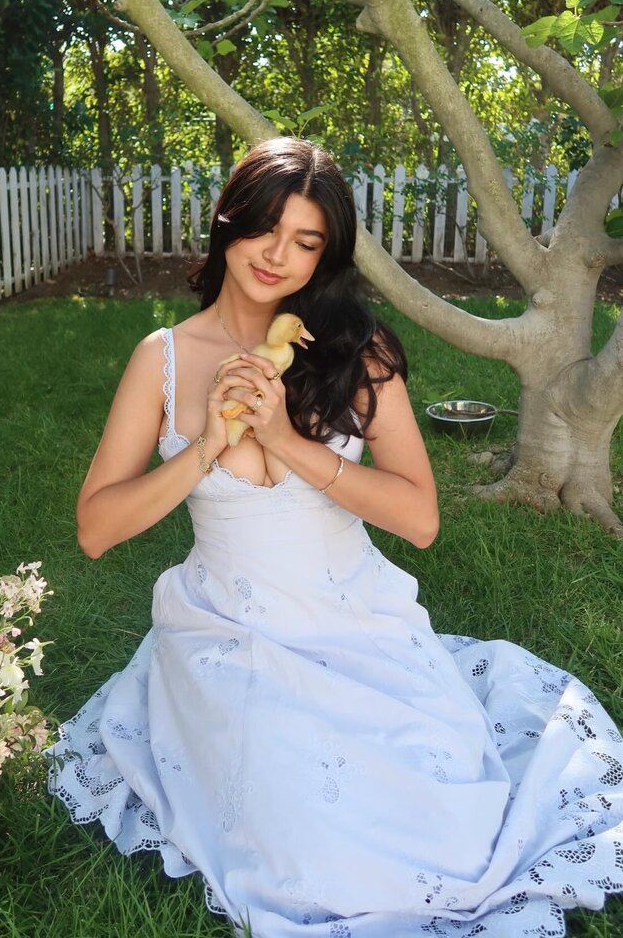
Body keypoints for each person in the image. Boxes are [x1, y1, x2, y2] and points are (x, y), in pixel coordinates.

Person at [46, 139, 623, 938]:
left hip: (356, 621)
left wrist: (286, 440)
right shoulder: (164, 360)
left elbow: (419, 519)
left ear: (328, 254)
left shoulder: (356, 352)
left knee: (444, 822)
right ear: (229, 223)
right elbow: (96, 529)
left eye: (306, 241)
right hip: (228, 633)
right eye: (265, 229)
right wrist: (208, 444)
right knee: (305, 834)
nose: (277, 256)